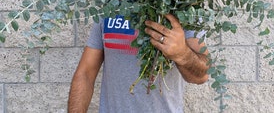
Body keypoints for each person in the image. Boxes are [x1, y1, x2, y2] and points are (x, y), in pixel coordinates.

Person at [68, 13, 210, 113]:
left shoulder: (181, 7)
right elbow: (85, 74)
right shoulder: (110, 5)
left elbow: (202, 76)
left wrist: (182, 54)